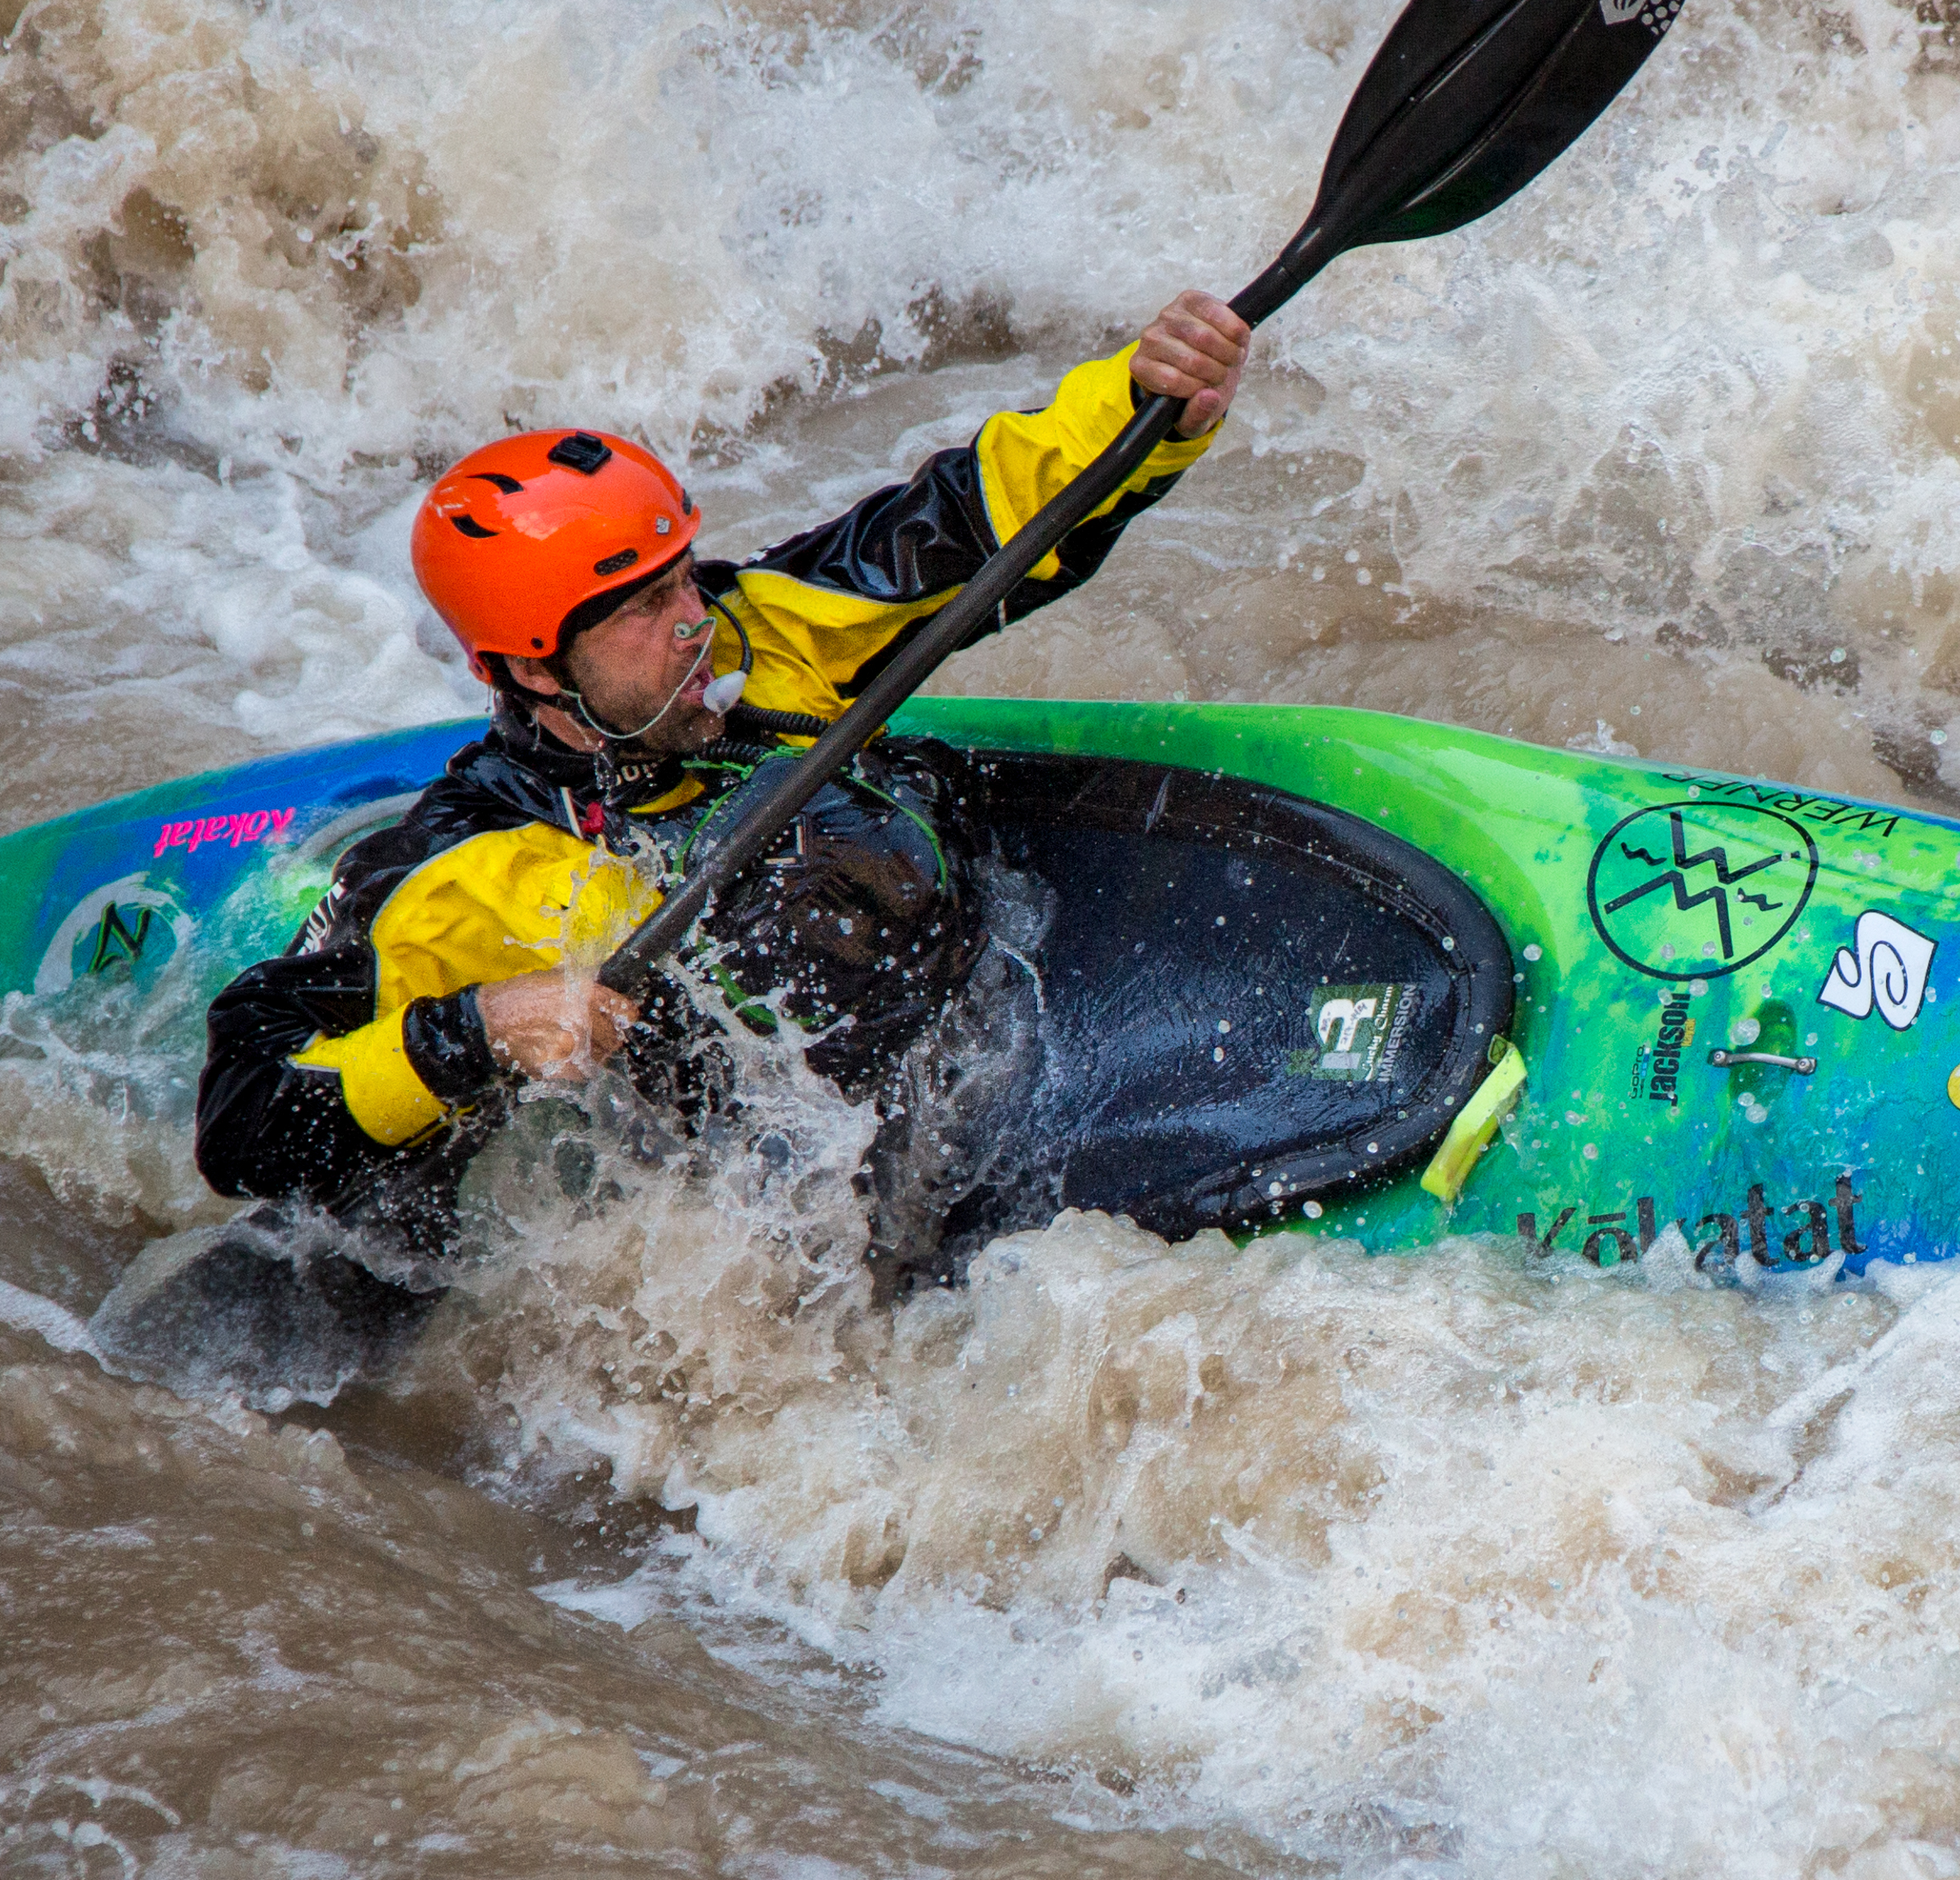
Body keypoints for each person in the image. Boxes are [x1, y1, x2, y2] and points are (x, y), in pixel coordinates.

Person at [193, 296, 1250, 1255]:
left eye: (681, 580)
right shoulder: (458, 875)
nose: (694, 625)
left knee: (842, 834)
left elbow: (967, 526)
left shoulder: (757, 634)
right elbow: (243, 1112)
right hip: (787, 1195)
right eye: (640, 612)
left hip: (993, 1036)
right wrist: (476, 1029)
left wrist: (1145, 407)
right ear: (527, 666)